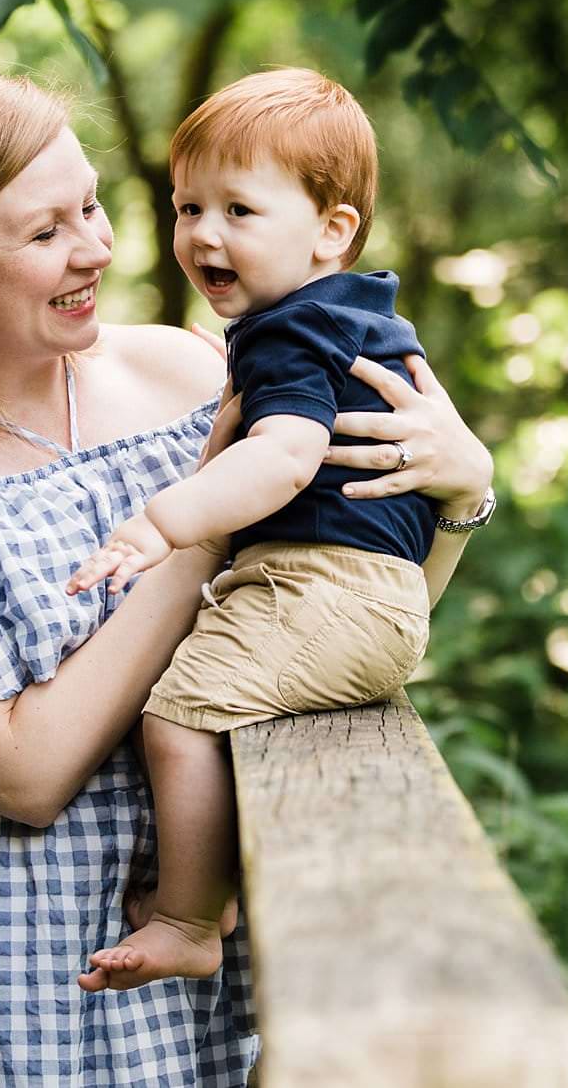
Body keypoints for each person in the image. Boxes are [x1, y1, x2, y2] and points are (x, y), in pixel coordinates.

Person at [0, 60, 494, 1086]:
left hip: (177, 928)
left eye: (92, 207)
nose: (98, 249)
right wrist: (200, 536)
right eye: (44, 232)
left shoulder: (188, 372)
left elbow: (334, 616)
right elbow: (24, 776)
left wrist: (461, 499)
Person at [64, 68, 491, 992]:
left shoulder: (286, 332)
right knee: (207, 711)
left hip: (323, 588)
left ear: (331, 230)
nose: (203, 234)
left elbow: (288, 457)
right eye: (187, 207)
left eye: (239, 210)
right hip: (372, 593)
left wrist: (163, 521)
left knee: (177, 718)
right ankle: (207, 882)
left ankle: (188, 916)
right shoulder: (357, 314)